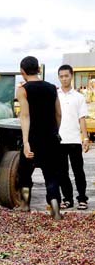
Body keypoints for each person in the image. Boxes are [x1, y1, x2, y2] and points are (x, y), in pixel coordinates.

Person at [16, 56, 63, 220]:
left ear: (22, 72)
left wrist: (26, 142)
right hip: (51, 138)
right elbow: (58, 113)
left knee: (24, 172)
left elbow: (25, 116)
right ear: (39, 69)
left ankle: (25, 204)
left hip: (33, 139)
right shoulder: (52, 88)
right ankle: (55, 209)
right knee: (51, 175)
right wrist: (55, 132)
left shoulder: (23, 90)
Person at [57, 64, 90, 210]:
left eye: (66, 76)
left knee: (78, 171)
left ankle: (82, 199)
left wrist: (85, 139)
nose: (64, 79)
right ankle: (67, 199)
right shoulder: (55, 96)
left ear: (71, 76)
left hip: (75, 140)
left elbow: (82, 119)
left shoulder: (79, 97)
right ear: (59, 77)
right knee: (62, 172)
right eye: (61, 76)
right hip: (59, 140)